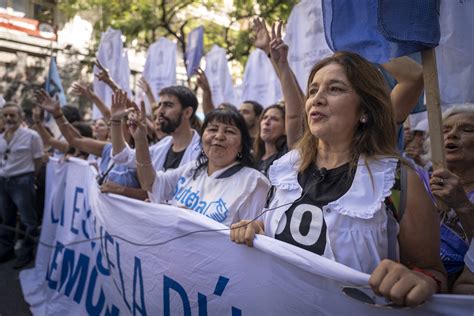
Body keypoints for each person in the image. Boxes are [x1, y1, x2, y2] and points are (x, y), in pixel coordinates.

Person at [230, 51, 446, 306]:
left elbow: (432, 272)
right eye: (312, 91)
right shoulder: (284, 169)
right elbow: (283, 235)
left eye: (334, 89)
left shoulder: (397, 181)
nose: (316, 99)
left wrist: (419, 279)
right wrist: (256, 230)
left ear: (364, 111)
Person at [132, 105, 270, 226]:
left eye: (229, 131)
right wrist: (140, 140)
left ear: (241, 145)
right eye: (213, 129)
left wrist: (195, 222)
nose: (219, 136)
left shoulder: (254, 183)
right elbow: (150, 184)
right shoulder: (191, 169)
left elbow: (252, 241)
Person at [35, 90, 146, 200]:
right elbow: (75, 139)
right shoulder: (108, 149)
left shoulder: (140, 157)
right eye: (112, 122)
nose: (110, 127)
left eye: (116, 122)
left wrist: (121, 190)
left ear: (129, 127)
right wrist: (57, 114)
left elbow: (151, 195)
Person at [111, 86, 201, 181]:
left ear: (187, 112)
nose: (159, 111)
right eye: (160, 105)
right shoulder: (163, 145)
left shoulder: (202, 151)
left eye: (168, 105)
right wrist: (116, 121)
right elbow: (123, 156)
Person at [429, 105, 474, 285]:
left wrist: (462, 205)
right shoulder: (417, 181)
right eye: (444, 130)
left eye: (468, 129)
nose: (452, 134)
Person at [0, 102, 43, 268]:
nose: (9, 118)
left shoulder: (32, 136)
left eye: (12, 115)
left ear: (20, 117)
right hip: (3, 181)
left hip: (22, 181)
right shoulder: (1, 137)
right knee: (6, 218)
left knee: (28, 220)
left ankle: (27, 252)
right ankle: (7, 249)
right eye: (5, 115)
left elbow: (38, 160)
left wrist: (31, 178)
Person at [254, 104, 288, 176]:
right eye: (264, 117)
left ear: (285, 129)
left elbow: (295, 116)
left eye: (274, 119)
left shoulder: (288, 155)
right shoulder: (253, 159)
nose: (266, 122)